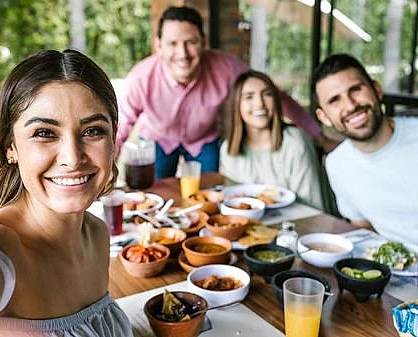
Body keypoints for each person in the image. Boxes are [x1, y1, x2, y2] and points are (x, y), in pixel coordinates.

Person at [0, 49, 133, 336]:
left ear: (113, 138)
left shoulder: (96, 233)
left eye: (93, 131)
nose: (72, 157)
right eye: (45, 133)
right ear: (11, 147)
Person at [116, 5, 337, 179]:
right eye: (172, 43)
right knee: (153, 196)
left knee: (209, 195)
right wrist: (107, 167)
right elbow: (121, 125)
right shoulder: (141, 77)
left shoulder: (226, 68)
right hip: (157, 138)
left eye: (190, 42)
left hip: (204, 140)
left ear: (203, 41)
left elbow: (275, 95)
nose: (182, 53)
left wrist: (318, 136)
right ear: (158, 45)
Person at [313, 53, 418, 252]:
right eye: (335, 100)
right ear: (323, 116)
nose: (351, 105)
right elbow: (364, 231)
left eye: (356, 89)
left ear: (376, 90)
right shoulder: (336, 164)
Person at [220, 70, 324, 210]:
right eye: (249, 97)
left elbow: (313, 208)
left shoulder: (295, 142)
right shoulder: (228, 150)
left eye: (267, 94)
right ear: (236, 105)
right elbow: (234, 204)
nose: (260, 104)